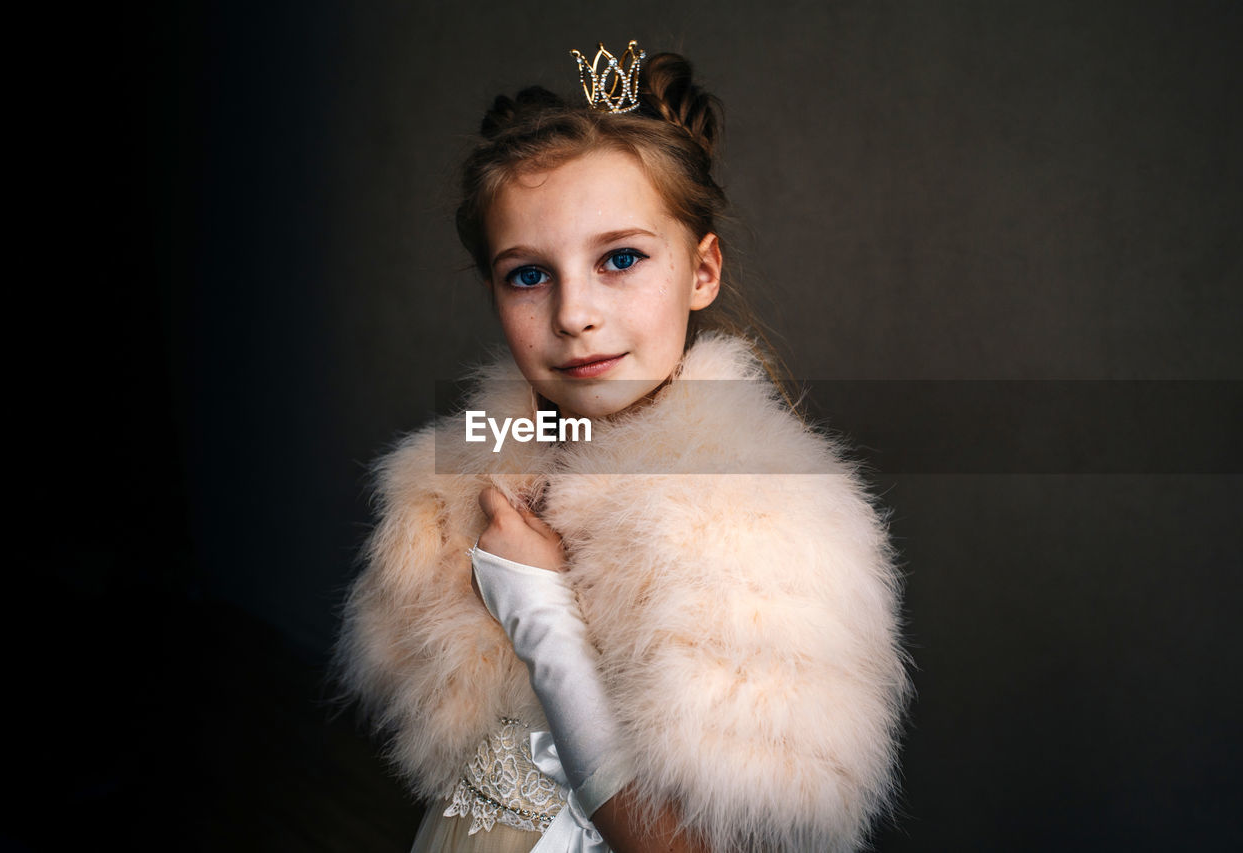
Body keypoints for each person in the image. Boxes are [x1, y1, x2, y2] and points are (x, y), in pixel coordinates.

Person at [333, 41, 913, 853]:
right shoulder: (473, 479)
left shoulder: (767, 518)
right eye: (528, 275)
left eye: (621, 258)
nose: (574, 312)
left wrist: (540, 614)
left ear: (702, 270)